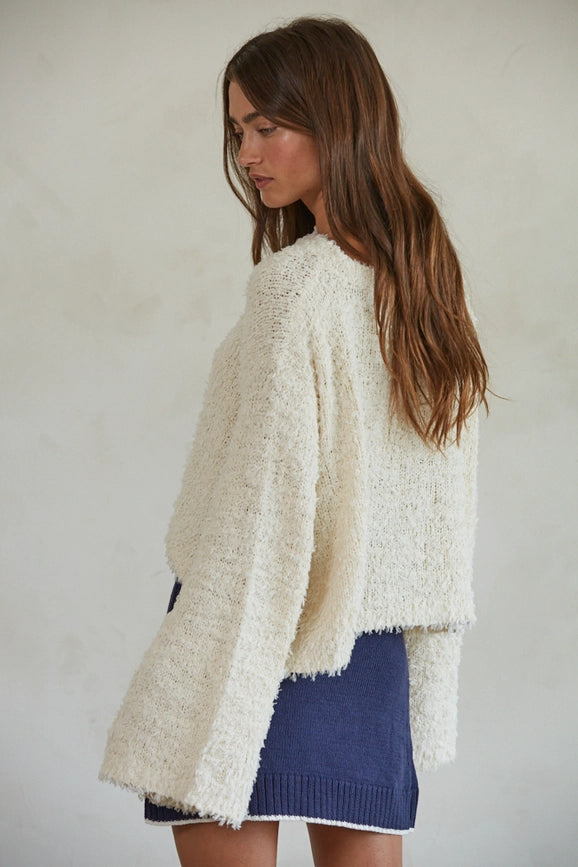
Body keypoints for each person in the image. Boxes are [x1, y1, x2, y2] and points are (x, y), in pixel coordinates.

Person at [100, 16, 488, 867]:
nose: (247, 153)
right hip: (371, 643)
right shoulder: (426, 285)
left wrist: (200, 644)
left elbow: (263, 500)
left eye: (267, 126)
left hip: (262, 629)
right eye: (238, 131)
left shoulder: (297, 285)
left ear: (336, 119)